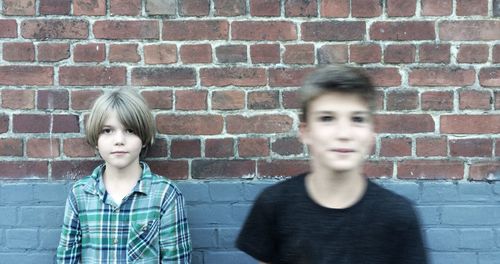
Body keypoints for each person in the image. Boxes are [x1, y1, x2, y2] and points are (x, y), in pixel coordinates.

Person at [236, 65, 428, 264]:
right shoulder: (274, 205)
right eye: (327, 118)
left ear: (372, 133)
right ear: (305, 132)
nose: (343, 134)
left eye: (357, 119)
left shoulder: (398, 216)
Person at [57, 88, 191, 263]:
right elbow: (67, 258)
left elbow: (176, 259)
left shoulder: (165, 195)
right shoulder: (80, 194)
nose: (119, 140)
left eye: (129, 130)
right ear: (96, 139)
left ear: (143, 138)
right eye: (107, 130)